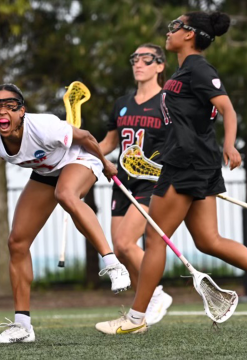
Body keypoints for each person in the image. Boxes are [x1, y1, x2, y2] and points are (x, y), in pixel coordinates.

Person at [95, 11, 247, 335]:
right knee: (208, 240)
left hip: (188, 163)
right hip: (191, 160)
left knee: (154, 237)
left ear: (189, 34)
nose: (169, 30)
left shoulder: (199, 69)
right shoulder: (182, 71)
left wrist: (230, 147)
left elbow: (228, 109)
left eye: (175, 26)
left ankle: (135, 319)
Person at [0, 84, 130, 344]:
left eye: (10, 106)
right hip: (47, 172)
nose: (2, 111)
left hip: (80, 159)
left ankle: (113, 264)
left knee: (66, 195)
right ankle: (23, 326)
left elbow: (85, 137)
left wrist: (105, 164)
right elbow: (38, 162)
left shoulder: (44, 126)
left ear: (22, 110)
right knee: (17, 242)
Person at [98, 43, 173, 326]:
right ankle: (150, 296)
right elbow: (108, 143)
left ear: (160, 65)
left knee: (126, 242)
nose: (139, 63)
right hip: (122, 182)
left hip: (152, 182)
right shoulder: (122, 103)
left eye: (146, 59)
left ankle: (156, 294)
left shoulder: (168, 101)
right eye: (135, 59)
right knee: (119, 249)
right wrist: (79, 147)